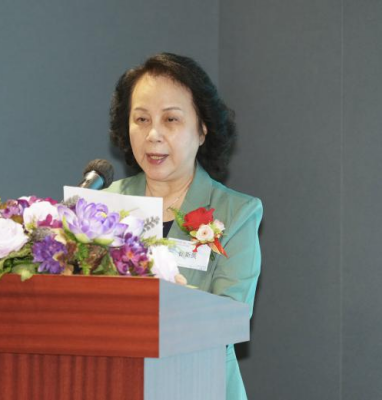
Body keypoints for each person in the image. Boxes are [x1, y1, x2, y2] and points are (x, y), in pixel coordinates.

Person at [104, 53, 262, 400]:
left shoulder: (236, 212)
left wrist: (174, 301)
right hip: (113, 383)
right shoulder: (102, 206)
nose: (153, 134)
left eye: (171, 119)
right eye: (141, 119)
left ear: (203, 129)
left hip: (199, 385)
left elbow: (231, 319)